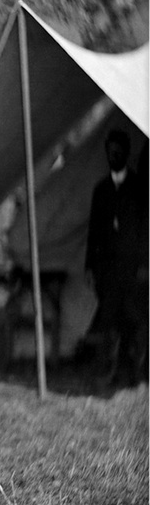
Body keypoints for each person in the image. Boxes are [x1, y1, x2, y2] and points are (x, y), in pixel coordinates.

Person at [85, 128, 146, 387]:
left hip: (132, 268)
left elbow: (146, 229)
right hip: (107, 269)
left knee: (134, 320)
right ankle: (107, 373)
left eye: (119, 151)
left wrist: (145, 264)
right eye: (110, 152)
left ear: (127, 152)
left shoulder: (140, 189)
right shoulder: (101, 190)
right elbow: (94, 231)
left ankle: (135, 374)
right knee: (109, 321)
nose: (114, 155)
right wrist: (90, 266)